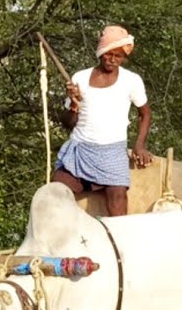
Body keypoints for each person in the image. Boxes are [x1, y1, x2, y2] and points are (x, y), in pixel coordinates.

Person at [52, 25, 154, 217]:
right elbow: (67, 123)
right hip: (79, 150)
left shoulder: (131, 80)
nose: (113, 60)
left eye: (119, 57)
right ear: (101, 52)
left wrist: (139, 146)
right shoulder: (79, 78)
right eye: (109, 55)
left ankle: (120, 243)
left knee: (118, 199)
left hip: (112, 152)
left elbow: (145, 113)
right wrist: (74, 104)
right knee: (54, 193)